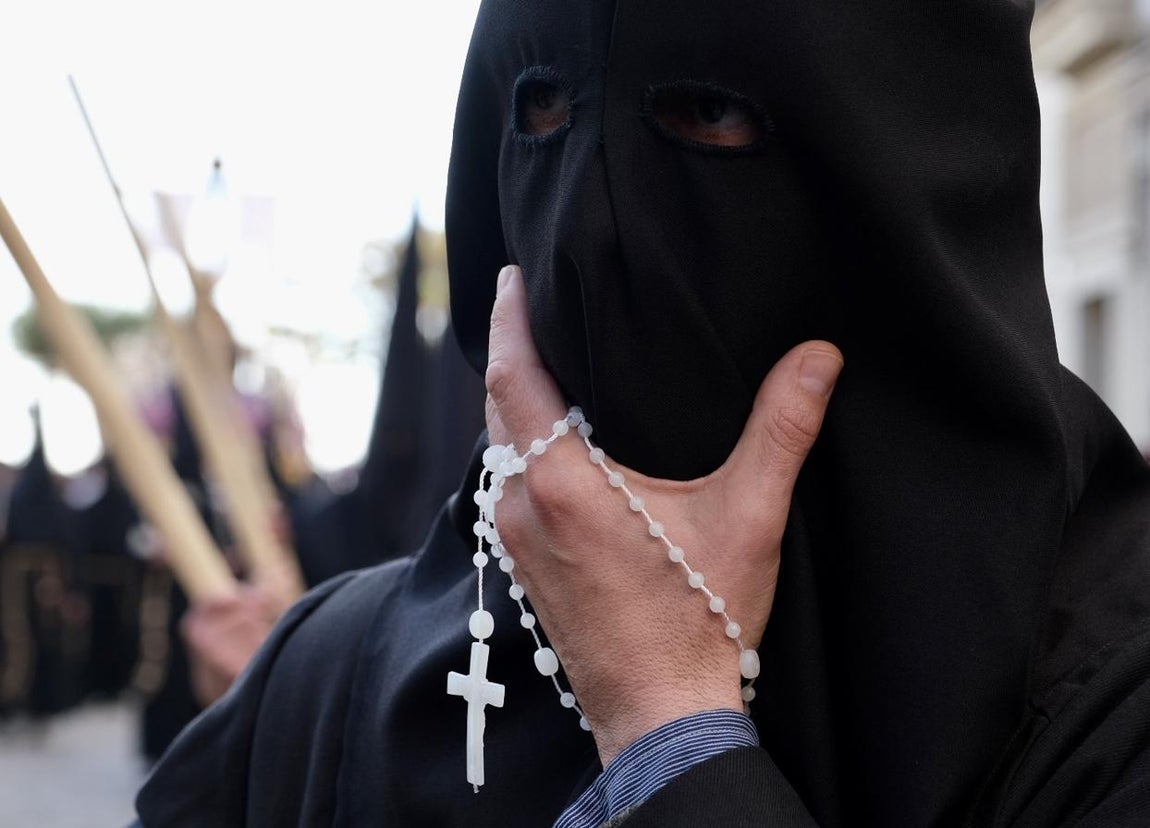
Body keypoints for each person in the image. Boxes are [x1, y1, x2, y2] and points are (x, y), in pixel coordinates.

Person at [135, 1, 1150, 825]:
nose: (584, 223)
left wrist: (669, 727)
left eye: (708, 113)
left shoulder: (1109, 706)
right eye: (538, 109)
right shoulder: (330, 679)